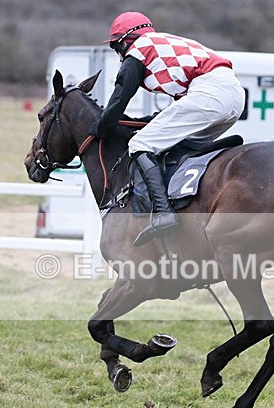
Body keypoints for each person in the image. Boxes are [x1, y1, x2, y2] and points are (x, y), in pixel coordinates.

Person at [89, 12, 245, 246]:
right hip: (233, 95)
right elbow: (171, 113)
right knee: (174, 143)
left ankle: (163, 212)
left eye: (116, 47)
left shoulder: (137, 52)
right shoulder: (161, 44)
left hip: (210, 94)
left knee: (139, 144)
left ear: (125, 40)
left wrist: (99, 128)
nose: (118, 54)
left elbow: (118, 101)